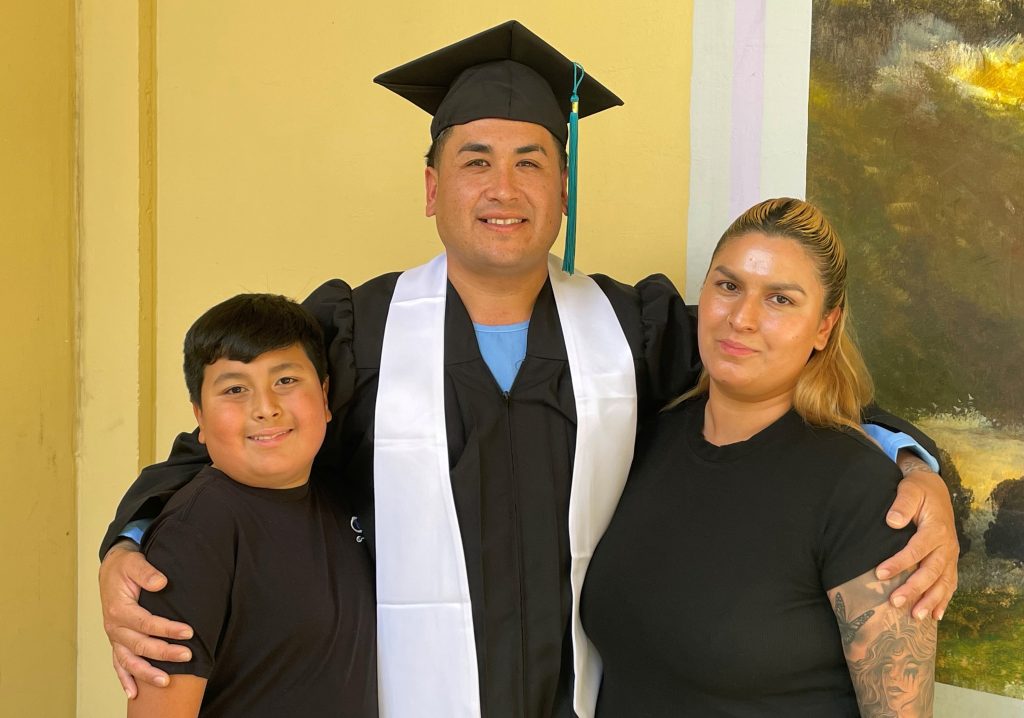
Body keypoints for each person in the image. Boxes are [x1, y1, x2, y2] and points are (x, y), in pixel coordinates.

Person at [97, 21, 956, 718]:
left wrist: (916, 465)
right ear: (433, 188)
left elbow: (778, 370)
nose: (502, 188)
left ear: (565, 189)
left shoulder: (635, 328)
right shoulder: (354, 329)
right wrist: (127, 543)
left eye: (530, 161)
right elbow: (231, 437)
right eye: (475, 161)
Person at [581, 198, 937, 716]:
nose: (741, 319)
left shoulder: (863, 491)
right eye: (728, 286)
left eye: (780, 300)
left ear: (824, 326)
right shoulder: (643, 442)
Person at [128, 294, 376, 717]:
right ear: (200, 419)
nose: (266, 408)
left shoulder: (344, 496)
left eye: (286, 380)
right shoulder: (198, 531)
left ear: (325, 394)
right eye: (235, 389)